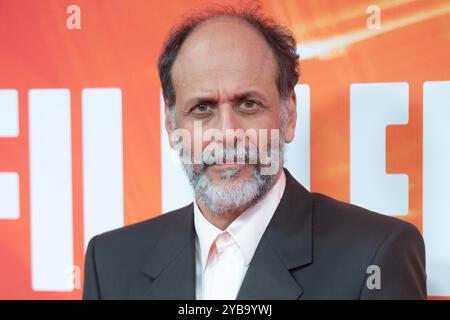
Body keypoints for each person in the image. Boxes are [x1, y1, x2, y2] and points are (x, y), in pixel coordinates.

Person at [83, 4, 426, 300]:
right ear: (172, 126)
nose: (227, 132)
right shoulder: (111, 262)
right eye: (202, 108)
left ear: (289, 114)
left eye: (248, 104)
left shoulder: (377, 255)